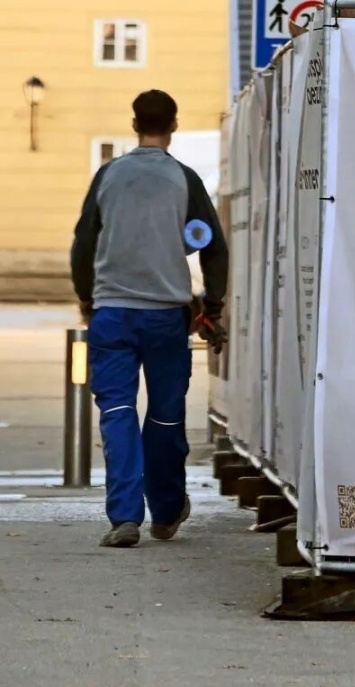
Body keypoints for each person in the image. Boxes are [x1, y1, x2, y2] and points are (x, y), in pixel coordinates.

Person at [70, 89, 229, 548]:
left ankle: (124, 517)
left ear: (135, 124)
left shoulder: (109, 175)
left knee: (116, 411)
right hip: (165, 317)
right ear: (173, 126)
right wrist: (211, 306)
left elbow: (84, 243)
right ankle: (166, 510)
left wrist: (88, 297)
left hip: (113, 314)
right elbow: (213, 246)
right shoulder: (184, 178)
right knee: (165, 417)